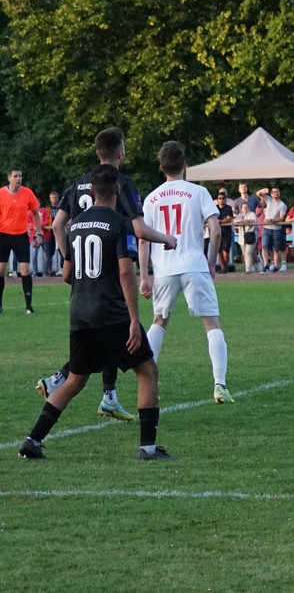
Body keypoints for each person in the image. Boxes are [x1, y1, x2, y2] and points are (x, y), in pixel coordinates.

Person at [18, 165, 173, 461]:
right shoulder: (120, 223)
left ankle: (32, 441)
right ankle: (148, 449)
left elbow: (67, 274)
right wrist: (133, 319)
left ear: (91, 190)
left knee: (75, 379)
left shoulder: (75, 225)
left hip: (80, 312)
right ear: (117, 190)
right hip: (111, 312)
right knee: (147, 371)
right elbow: (126, 272)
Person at [37, 128, 178, 421]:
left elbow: (58, 224)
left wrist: (70, 259)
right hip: (111, 269)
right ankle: (77, 384)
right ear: (120, 153)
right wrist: (166, 239)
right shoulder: (120, 183)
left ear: (97, 152)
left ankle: (105, 395)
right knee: (122, 336)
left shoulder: (79, 183)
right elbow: (138, 229)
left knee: (100, 340)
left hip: (83, 274)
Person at [139, 141, 234, 404]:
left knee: (159, 322)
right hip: (194, 264)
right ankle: (219, 384)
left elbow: (143, 239)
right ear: (185, 165)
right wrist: (211, 263)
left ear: (161, 166)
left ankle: (148, 380)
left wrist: (144, 275)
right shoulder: (198, 192)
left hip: (164, 269)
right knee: (211, 324)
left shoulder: (152, 198)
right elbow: (216, 230)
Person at [0, 167, 43, 314]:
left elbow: (36, 214)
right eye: (15, 176)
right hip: (3, 235)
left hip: (21, 236)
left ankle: (29, 306)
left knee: (25, 269)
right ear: (9, 178)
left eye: (20, 176)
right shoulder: (1, 193)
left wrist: (39, 233)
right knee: (1, 270)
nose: (18, 179)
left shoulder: (27, 193)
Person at [255, 185, 288, 272]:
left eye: (277, 192)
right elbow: (258, 194)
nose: (275, 193)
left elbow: (281, 218)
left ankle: (276, 265)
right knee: (264, 246)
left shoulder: (282, 205)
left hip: (276, 229)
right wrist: (263, 190)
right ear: (271, 194)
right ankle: (266, 264)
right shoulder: (268, 200)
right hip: (266, 228)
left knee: (276, 248)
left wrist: (271, 220)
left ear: (279, 193)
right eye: (274, 192)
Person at [234, 202, 259, 273]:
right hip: (242, 237)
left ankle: (248, 269)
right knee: (245, 253)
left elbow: (254, 220)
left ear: (248, 208)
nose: (245, 209)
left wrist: (245, 221)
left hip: (250, 236)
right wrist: (239, 221)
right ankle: (252, 265)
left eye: (246, 207)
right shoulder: (240, 215)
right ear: (241, 209)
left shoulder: (252, 214)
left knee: (248, 253)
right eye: (243, 207)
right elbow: (234, 221)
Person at [29, 200, 51, 277]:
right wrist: (34, 225)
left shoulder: (44, 211)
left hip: (44, 235)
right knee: (34, 254)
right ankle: (35, 271)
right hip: (34, 236)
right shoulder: (29, 212)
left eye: (37, 203)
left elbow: (47, 221)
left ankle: (45, 272)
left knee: (46, 254)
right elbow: (27, 222)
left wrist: (39, 225)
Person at [214, 189, 234, 273]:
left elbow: (229, 218)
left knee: (226, 253)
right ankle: (223, 268)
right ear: (217, 200)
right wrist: (219, 221)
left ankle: (225, 267)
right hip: (217, 233)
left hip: (227, 233)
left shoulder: (228, 208)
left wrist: (219, 221)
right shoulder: (214, 208)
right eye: (220, 198)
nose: (221, 200)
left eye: (223, 198)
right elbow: (213, 218)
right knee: (219, 252)